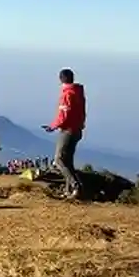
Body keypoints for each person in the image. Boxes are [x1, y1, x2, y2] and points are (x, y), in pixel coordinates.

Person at [44, 68, 87, 199]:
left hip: (67, 130)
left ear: (61, 79)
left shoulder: (67, 94)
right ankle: (69, 191)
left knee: (59, 160)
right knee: (68, 161)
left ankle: (75, 186)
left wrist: (53, 126)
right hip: (77, 130)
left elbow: (64, 115)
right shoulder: (78, 92)